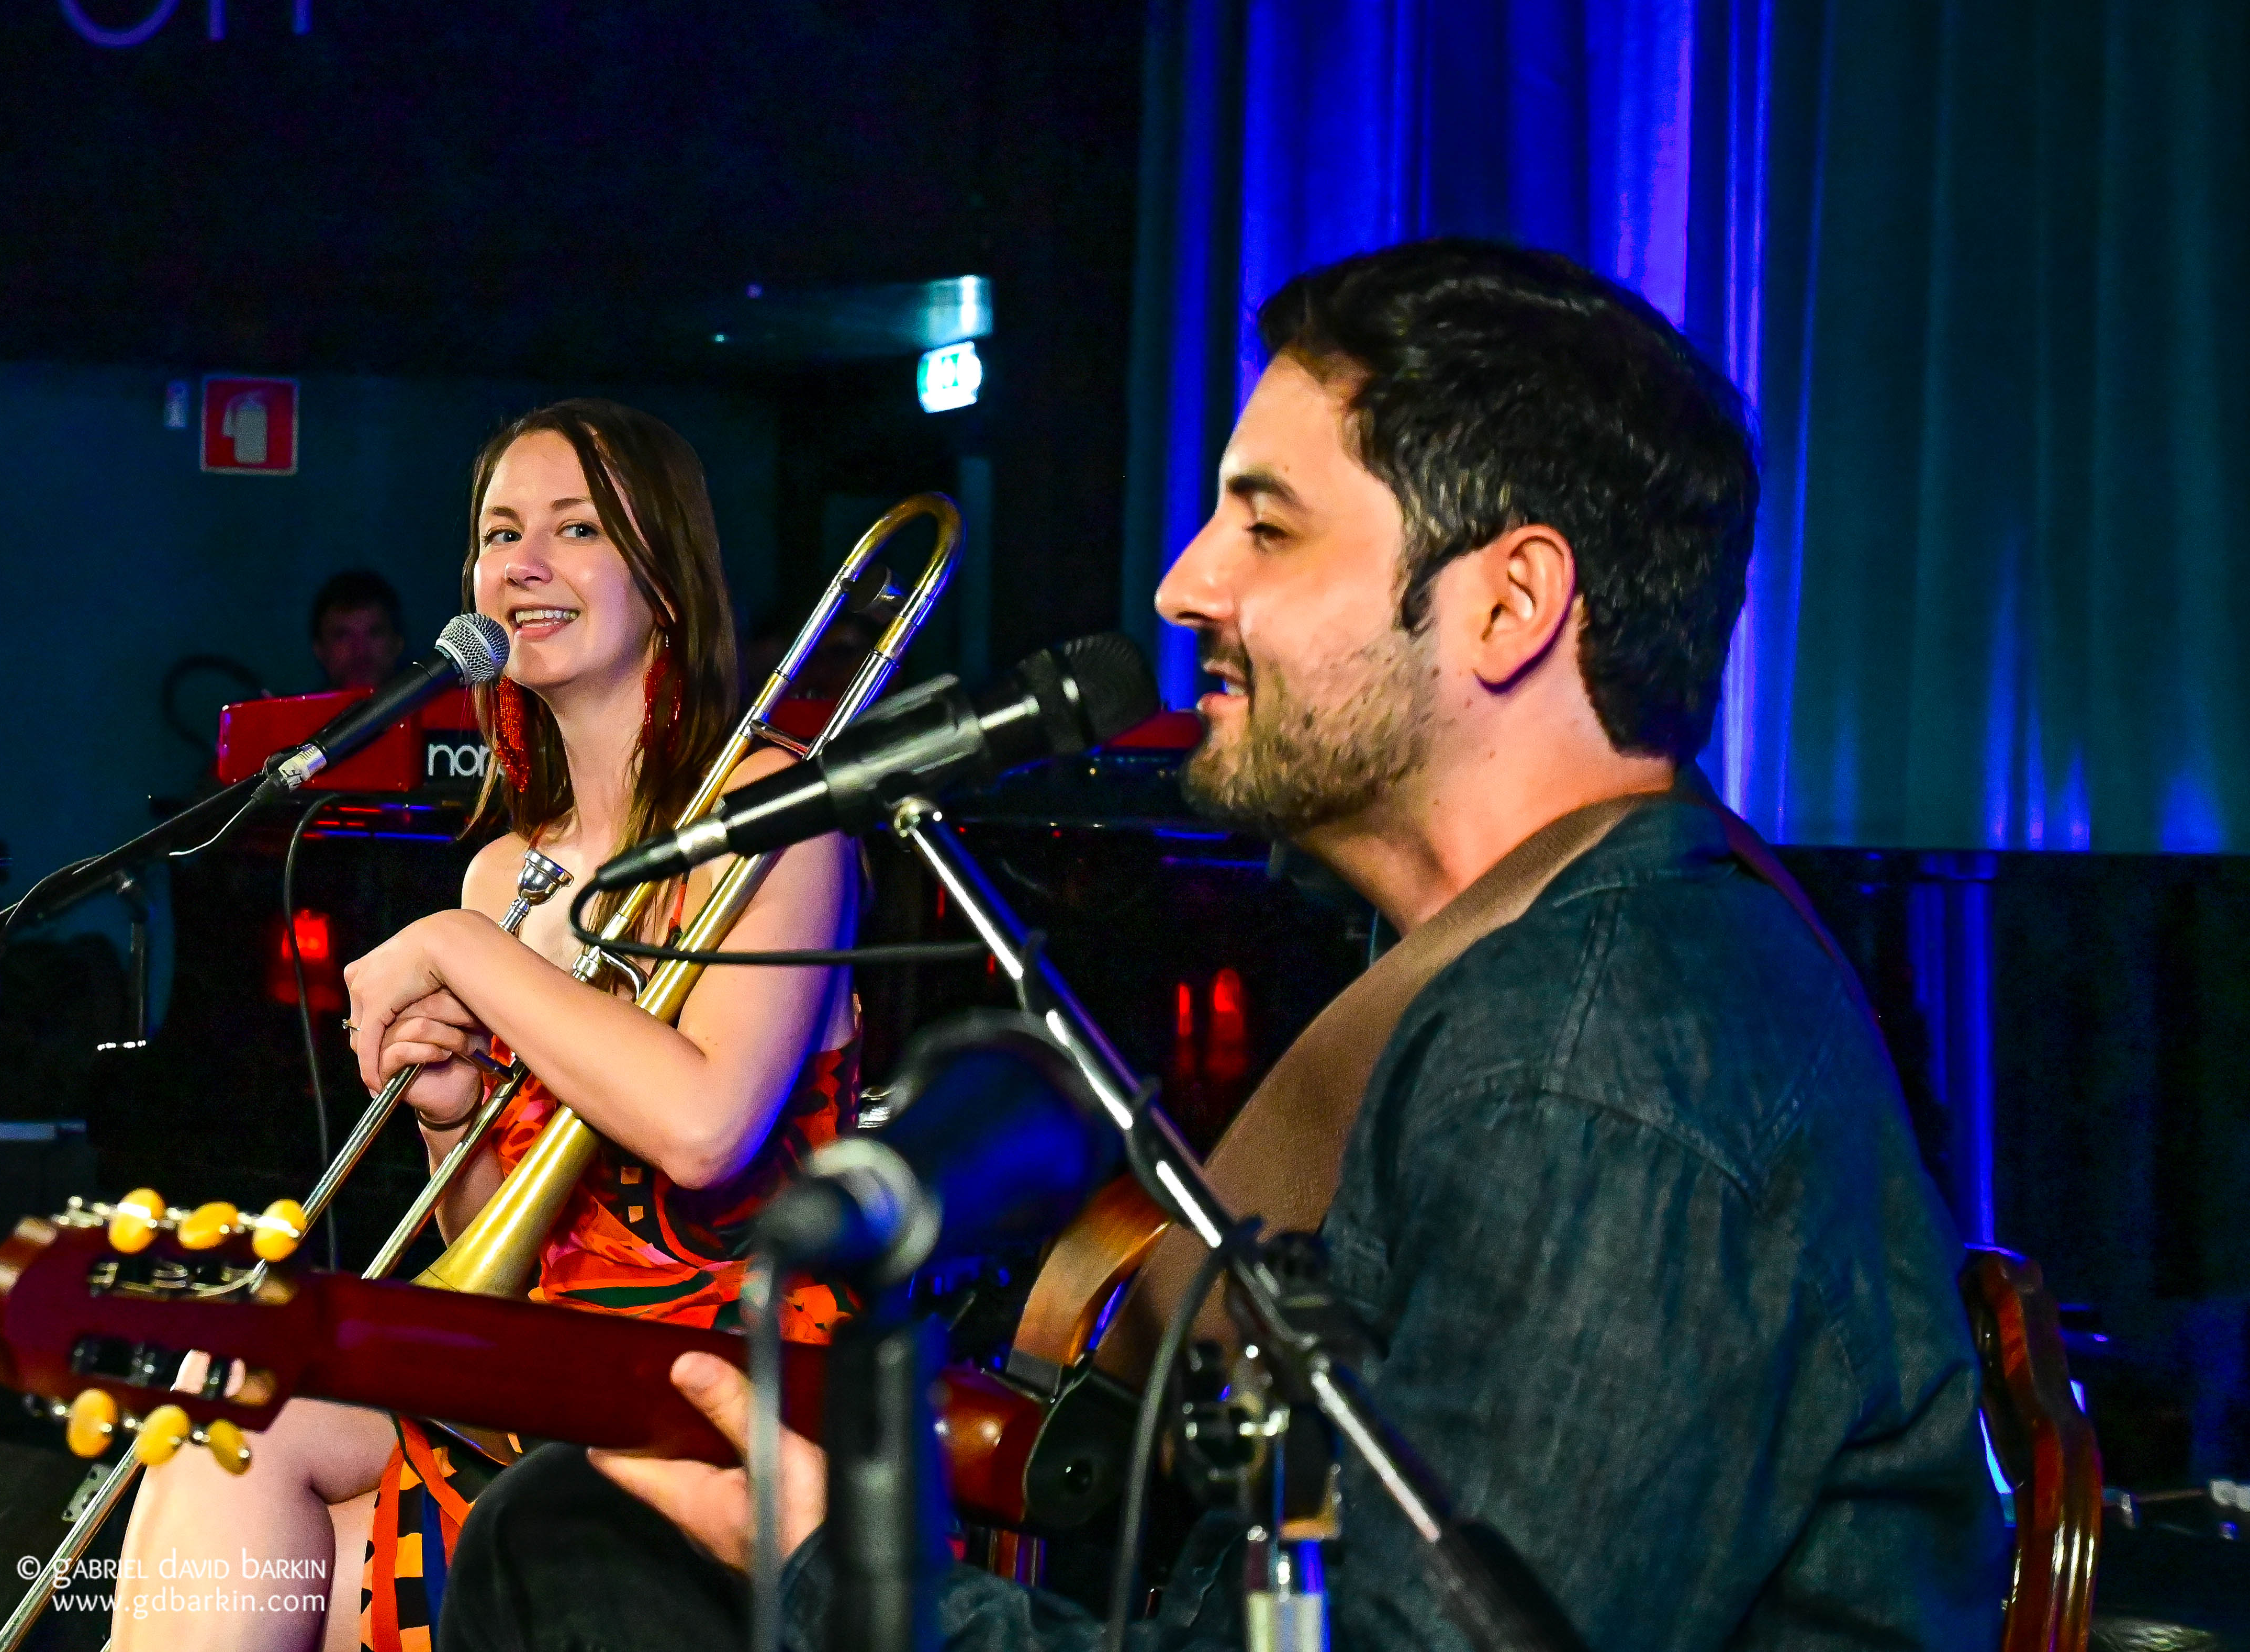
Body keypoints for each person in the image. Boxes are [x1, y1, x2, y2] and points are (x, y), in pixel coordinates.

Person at [436, 241, 2012, 1652]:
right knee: (579, 1530)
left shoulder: (1593, 1057)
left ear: (1508, 601)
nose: (1183, 583)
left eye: (1264, 528)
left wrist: (842, 1582)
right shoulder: (1546, 974)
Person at [111, 399, 863, 1652]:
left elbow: (702, 1126)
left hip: (722, 1398)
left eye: (574, 530)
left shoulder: (775, 806)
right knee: (217, 1401)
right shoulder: (502, 870)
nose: (521, 566)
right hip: (542, 1378)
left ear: (664, 578)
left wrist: (463, 955)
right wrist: (447, 1125)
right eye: (498, 533)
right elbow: (497, 1250)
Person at [311, 568, 408, 691]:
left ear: (398, 643)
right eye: (343, 636)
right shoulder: (296, 711)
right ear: (319, 650)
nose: (360, 651)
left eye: (374, 633)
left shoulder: (433, 709)